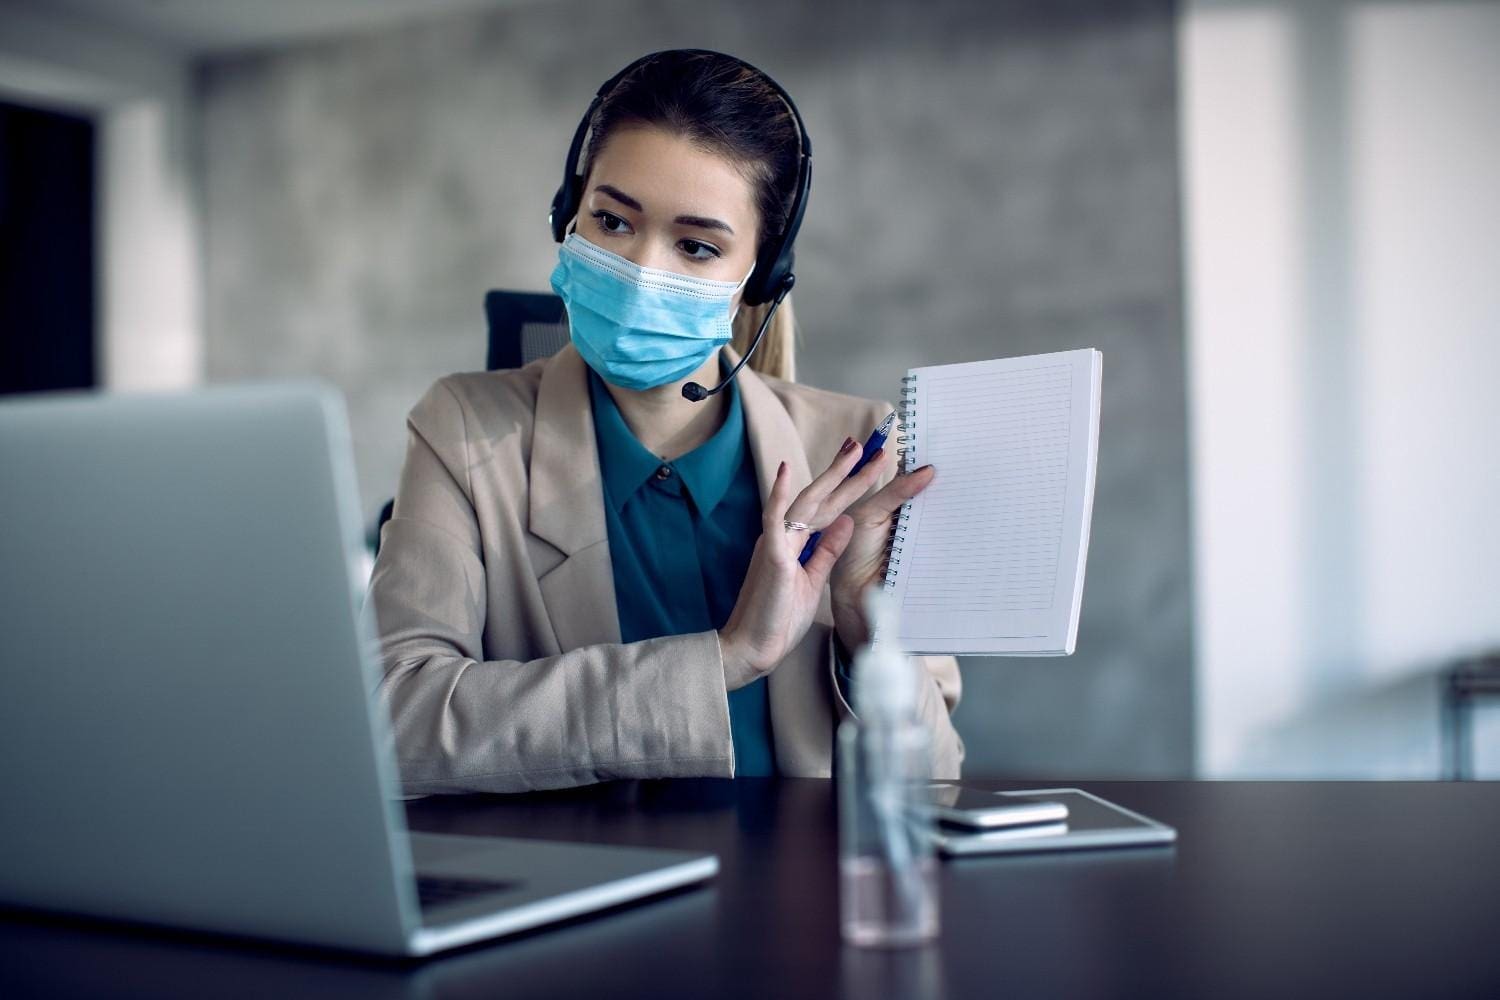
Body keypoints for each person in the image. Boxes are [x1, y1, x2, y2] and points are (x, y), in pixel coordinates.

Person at [366, 49, 963, 794]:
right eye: (612, 220)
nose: (642, 267)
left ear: (761, 277)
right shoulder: (463, 430)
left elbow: (936, 783)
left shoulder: (856, 456)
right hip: (574, 892)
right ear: (569, 216)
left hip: (800, 902)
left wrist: (867, 636)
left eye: (697, 246)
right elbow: (394, 725)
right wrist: (726, 659)